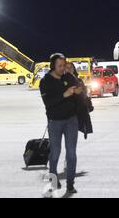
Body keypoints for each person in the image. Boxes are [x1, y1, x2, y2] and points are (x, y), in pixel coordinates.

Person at [40, 53, 81, 194]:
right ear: (52, 66)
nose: (63, 68)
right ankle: (53, 179)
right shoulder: (45, 81)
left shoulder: (68, 77)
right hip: (55, 122)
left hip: (71, 120)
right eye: (60, 66)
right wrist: (65, 94)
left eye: (64, 65)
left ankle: (70, 184)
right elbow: (48, 103)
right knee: (55, 153)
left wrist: (79, 89)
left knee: (71, 153)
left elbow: (80, 91)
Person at [65, 62, 93, 139]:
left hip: (78, 109)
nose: (69, 69)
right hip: (68, 111)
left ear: (74, 69)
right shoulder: (61, 80)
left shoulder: (78, 80)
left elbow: (83, 92)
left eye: (71, 67)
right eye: (67, 67)